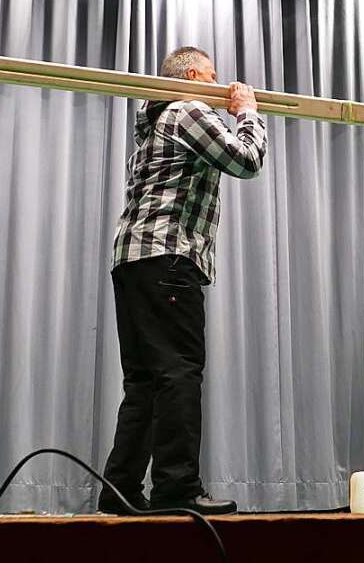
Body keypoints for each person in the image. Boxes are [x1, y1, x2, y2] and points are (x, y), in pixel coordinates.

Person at [99, 46, 267, 516]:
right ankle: (177, 487)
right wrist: (247, 112)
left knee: (145, 381)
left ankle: (120, 489)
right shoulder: (187, 108)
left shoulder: (152, 120)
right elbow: (245, 160)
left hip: (132, 261)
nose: (218, 88)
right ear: (193, 76)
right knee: (177, 373)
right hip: (168, 258)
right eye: (212, 77)